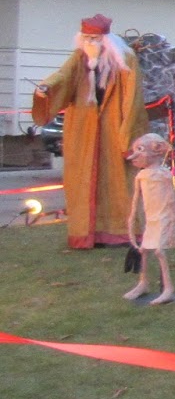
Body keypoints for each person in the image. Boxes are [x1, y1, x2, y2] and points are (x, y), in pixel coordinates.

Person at [32, 15, 148, 249]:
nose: (91, 43)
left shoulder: (125, 60)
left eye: (95, 38)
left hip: (113, 129)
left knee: (117, 183)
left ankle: (120, 234)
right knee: (83, 182)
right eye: (87, 38)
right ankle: (87, 234)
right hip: (84, 131)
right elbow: (63, 76)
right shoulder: (80, 58)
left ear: (105, 39)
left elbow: (132, 99)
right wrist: (46, 88)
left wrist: (128, 137)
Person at [123, 133, 175, 304]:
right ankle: (143, 282)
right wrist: (132, 218)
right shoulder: (141, 176)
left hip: (163, 217)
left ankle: (168, 288)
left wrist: (172, 219)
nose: (135, 156)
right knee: (143, 250)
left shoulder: (163, 174)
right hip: (151, 218)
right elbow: (136, 199)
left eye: (140, 150)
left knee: (160, 251)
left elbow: (170, 198)